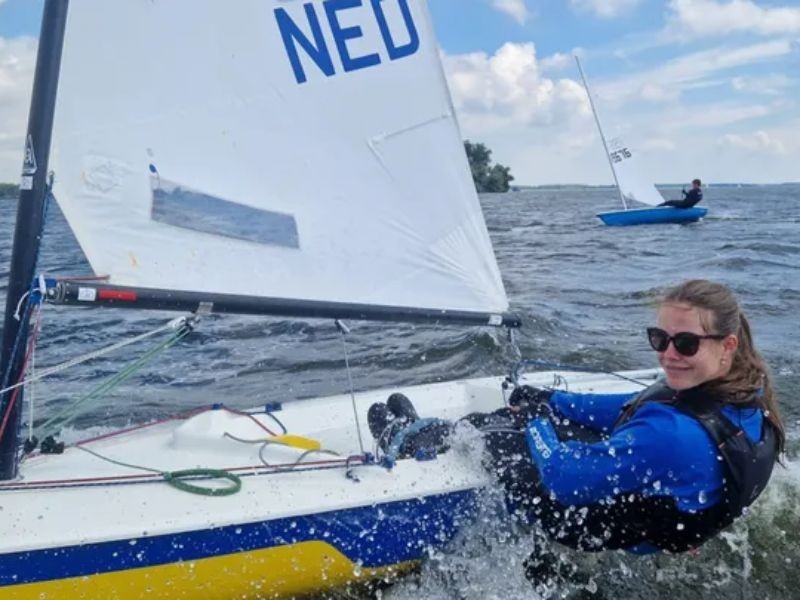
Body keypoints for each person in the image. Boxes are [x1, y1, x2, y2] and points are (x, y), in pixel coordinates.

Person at [367, 280, 783, 556]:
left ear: (727, 345)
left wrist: (534, 421)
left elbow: (563, 478)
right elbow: (633, 406)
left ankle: (408, 437)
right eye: (660, 338)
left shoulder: (671, 436)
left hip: (589, 523)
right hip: (672, 507)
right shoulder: (747, 388)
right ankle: (447, 429)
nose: (668, 354)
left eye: (686, 343)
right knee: (538, 418)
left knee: (494, 435)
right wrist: (550, 399)